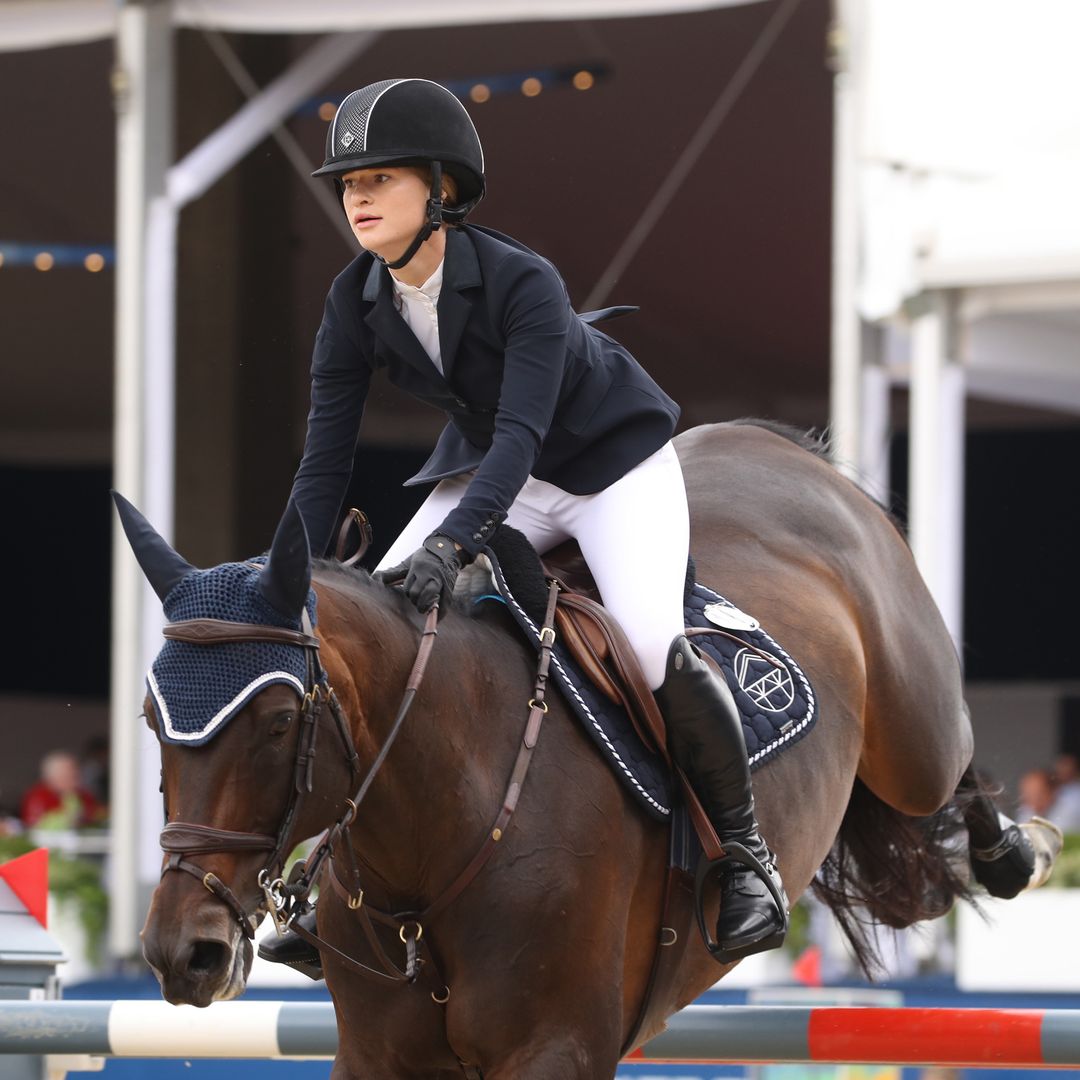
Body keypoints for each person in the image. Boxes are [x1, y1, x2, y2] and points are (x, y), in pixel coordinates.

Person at [260, 77, 786, 972]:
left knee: (654, 643)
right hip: (493, 466)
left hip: (607, 469)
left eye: (379, 178)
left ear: (443, 192)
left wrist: (454, 543)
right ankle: (325, 877)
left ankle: (746, 861)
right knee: (377, 635)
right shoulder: (354, 302)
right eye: (349, 183)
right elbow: (324, 464)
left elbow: (522, 435)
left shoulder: (521, 280)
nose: (357, 197)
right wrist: (285, 584)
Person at [20, 750, 105, 830]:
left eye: (76, 773)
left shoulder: (81, 794)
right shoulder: (38, 797)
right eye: (69, 775)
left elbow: (95, 814)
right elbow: (34, 826)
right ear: (52, 777)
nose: (76, 780)